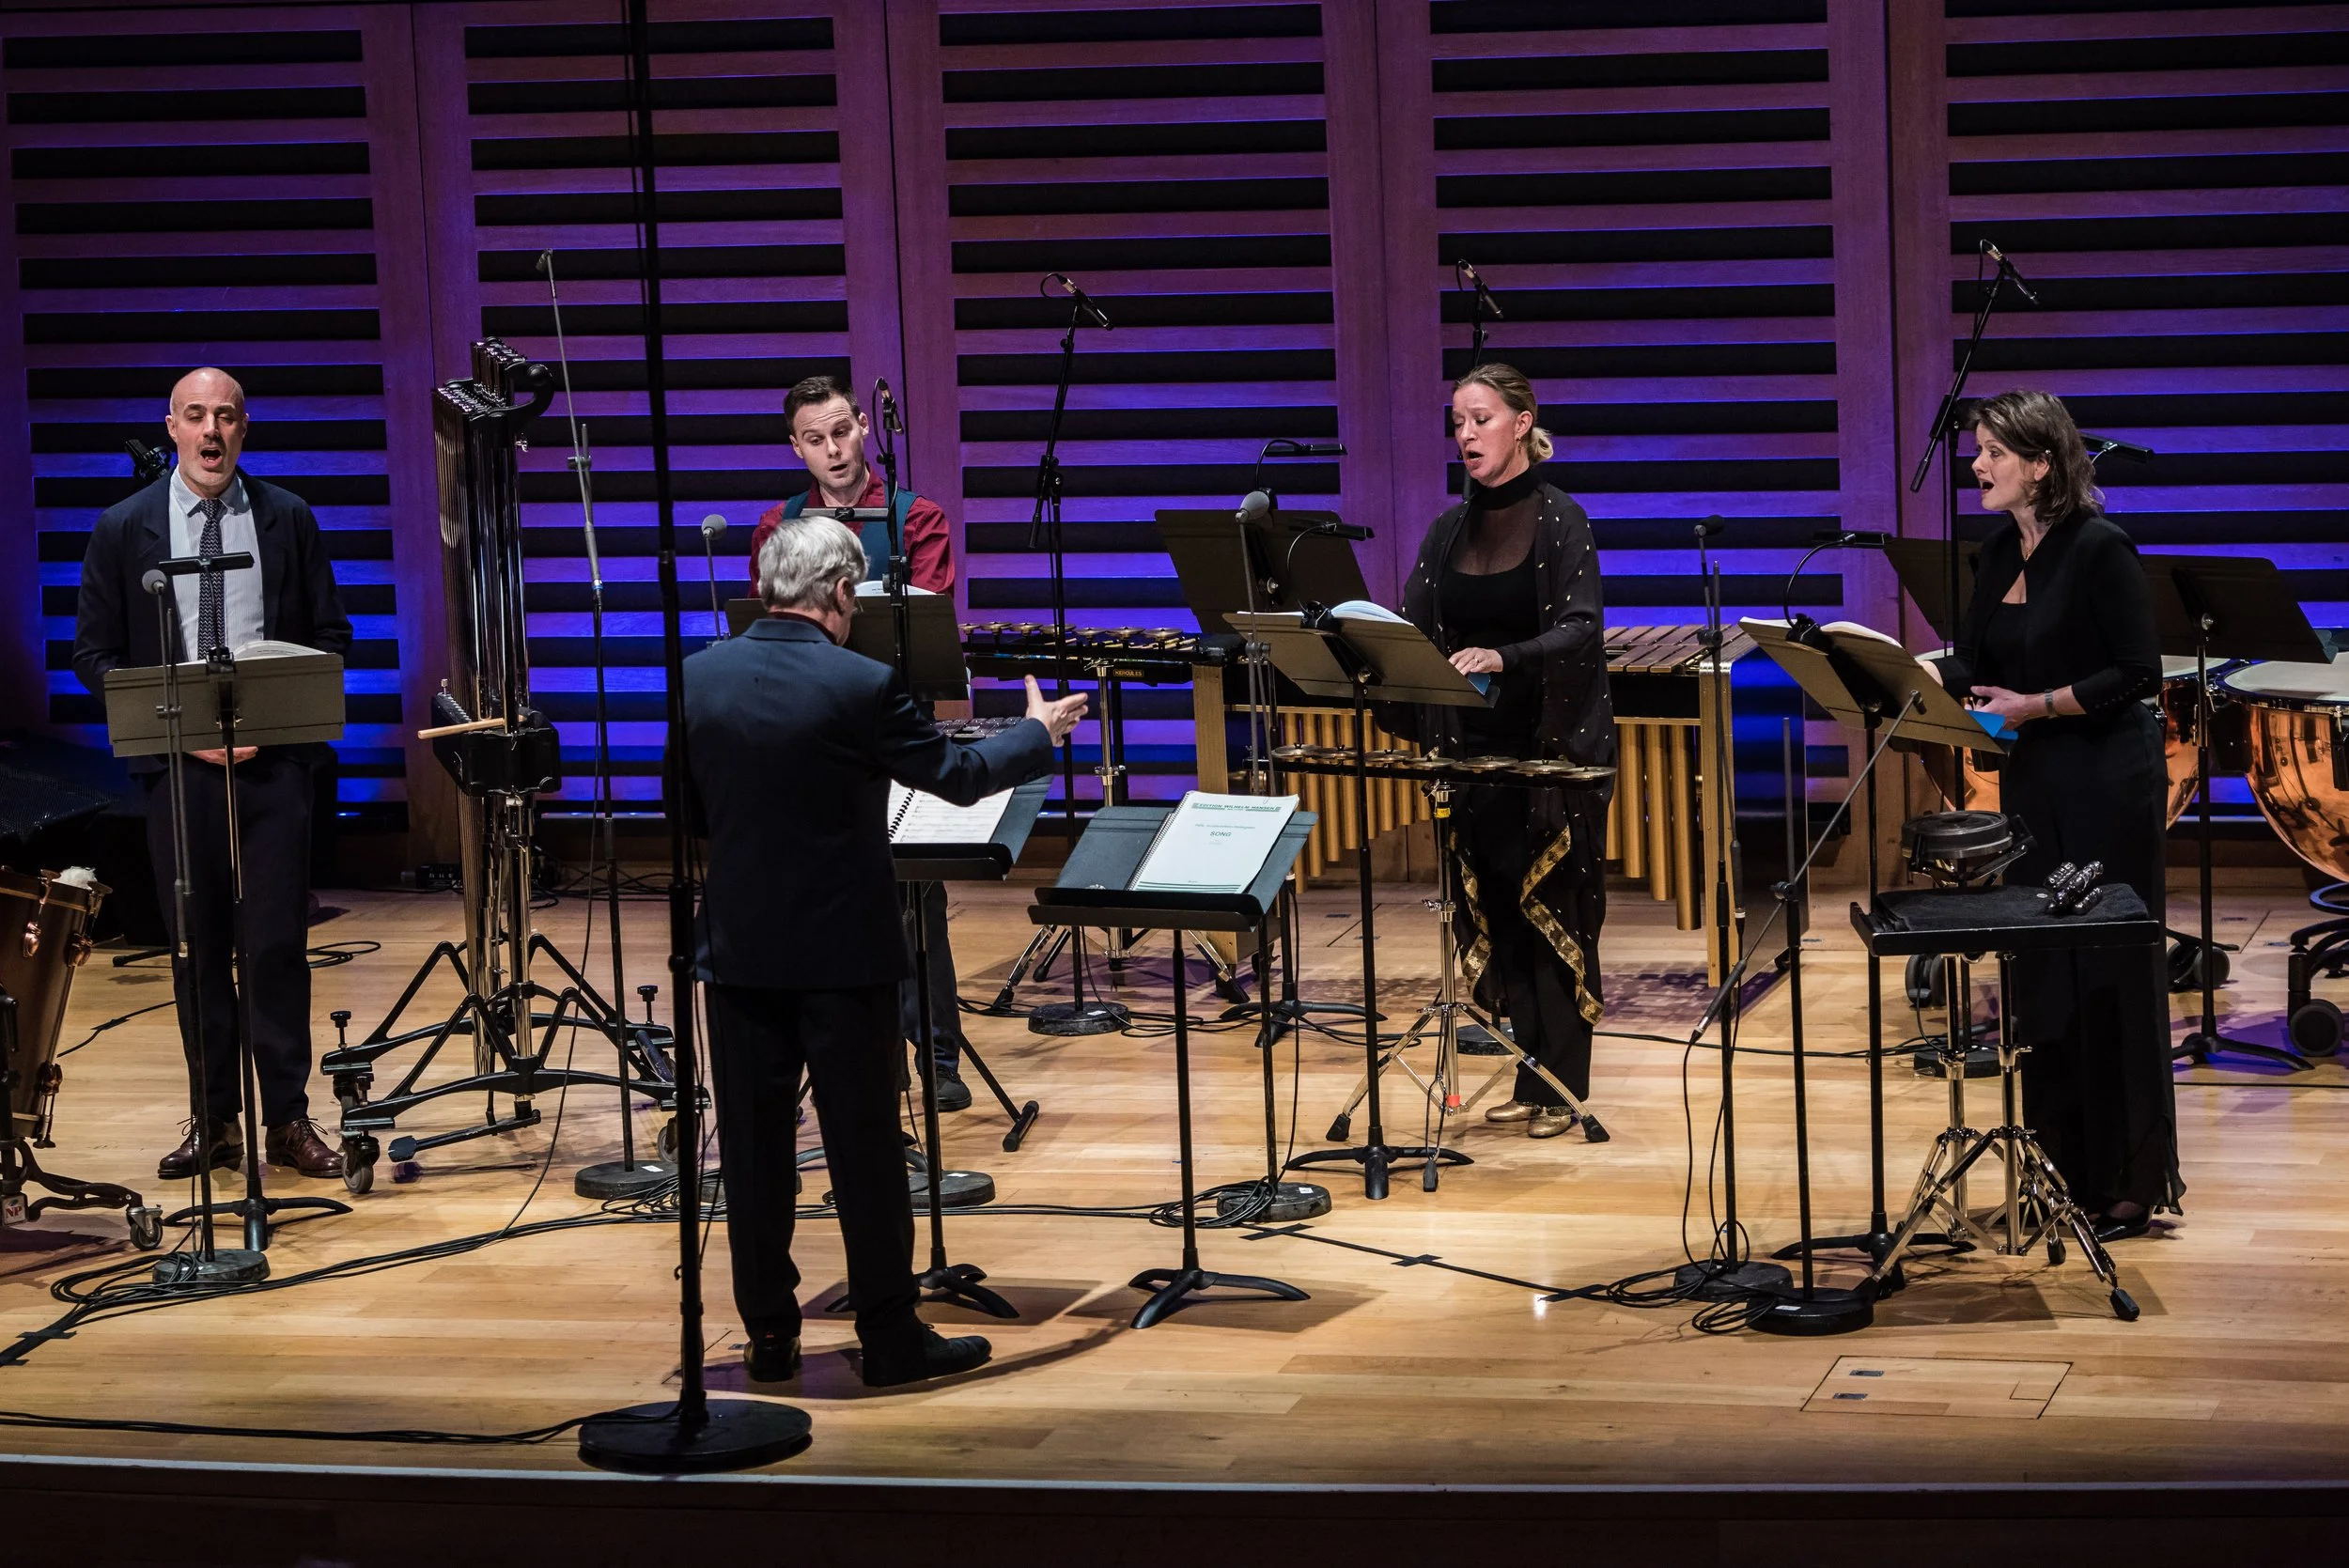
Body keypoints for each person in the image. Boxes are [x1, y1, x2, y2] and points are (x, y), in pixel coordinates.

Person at [686, 513, 1084, 1388]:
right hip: (844, 957)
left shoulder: (696, 676)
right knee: (865, 1150)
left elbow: (687, 814)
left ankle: (768, 1337)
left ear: (764, 584)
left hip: (739, 954)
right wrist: (1038, 731)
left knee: (753, 1154)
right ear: (840, 592)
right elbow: (959, 775)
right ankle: (890, 1337)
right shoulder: (860, 684)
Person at [70, 367, 350, 1182]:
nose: (211, 431)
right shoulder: (124, 528)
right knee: (197, 949)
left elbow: (333, 634)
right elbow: (93, 653)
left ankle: (289, 1119)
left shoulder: (287, 518)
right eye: (196, 416)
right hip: (177, 771)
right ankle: (214, 1119)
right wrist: (180, 730)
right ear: (171, 428)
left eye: (225, 416)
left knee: (274, 946)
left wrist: (276, 716)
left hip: (272, 769)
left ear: (245, 428)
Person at [1924, 388, 2179, 1241]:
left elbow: (2138, 673)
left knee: (2107, 973)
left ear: (2041, 463)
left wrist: (2040, 703)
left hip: (2109, 779)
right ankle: (2057, 1167)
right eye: (1978, 451)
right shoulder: (1997, 552)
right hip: (2037, 779)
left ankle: (2128, 1183)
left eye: (1994, 451)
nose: (1978, 464)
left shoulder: (2101, 548)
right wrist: (1913, 674)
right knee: (2043, 978)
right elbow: (1977, 657)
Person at [1387, 364, 1615, 1139]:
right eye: (1457, 422)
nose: (1466, 435)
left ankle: (1564, 1085)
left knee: (1549, 912)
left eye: (1480, 419)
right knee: (1500, 919)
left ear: (1523, 422)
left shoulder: (1561, 521)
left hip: (1547, 755)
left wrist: (1504, 656)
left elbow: (1583, 629)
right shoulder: (1446, 530)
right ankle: (1528, 1073)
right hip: (1471, 755)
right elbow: (1414, 625)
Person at [750, 374, 976, 1110]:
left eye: (842, 430)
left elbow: (926, 617)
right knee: (824, 891)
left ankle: (938, 1054)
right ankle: (855, 1054)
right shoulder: (776, 525)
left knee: (916, 889)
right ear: (796, 448)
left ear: (864, 430)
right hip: (809, 731)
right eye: (815, 438)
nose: (833, 448)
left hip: (893, 721)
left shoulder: (918, 517)